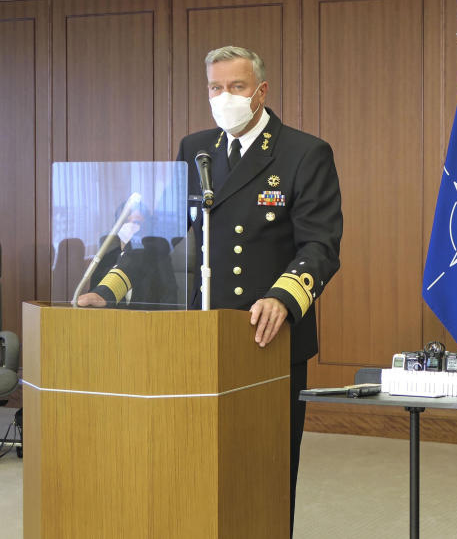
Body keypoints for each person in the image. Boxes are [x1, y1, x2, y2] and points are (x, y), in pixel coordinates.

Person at [79, 45, 343, 533]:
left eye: (236, 87)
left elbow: (320, 245)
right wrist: (110, 288)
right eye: (215, 88)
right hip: (196, 340)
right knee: (194, 465)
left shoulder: (304, 152)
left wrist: (283, 298)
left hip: (265, 336)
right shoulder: (195, 148)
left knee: (264, 469)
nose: (225, 97)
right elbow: (164, 235)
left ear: (260, 92)